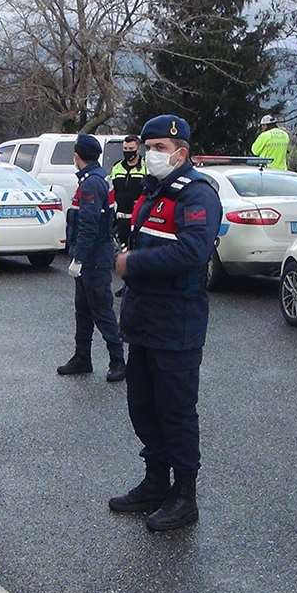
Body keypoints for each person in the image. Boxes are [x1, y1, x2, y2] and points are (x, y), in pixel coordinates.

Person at [109, 114, 222, 532]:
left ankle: (184, 495)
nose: (151, 153)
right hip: (143, 321)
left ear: (181, 152)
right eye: (148, 145)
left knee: (176, 412)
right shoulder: (153, 192)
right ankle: (155, 481)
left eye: (159, 147)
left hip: (178, 324)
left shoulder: (197, 195)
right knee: (143, 407)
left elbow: (193, 252)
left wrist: (131, 262)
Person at [57, 133, 125, 382]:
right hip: (93, 256)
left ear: (77, 156)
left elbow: (89, 225)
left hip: (93, 258)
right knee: (83, 311)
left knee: (101, 310)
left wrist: (80, 259)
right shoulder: (96, 178)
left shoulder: (91, 183)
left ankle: (118, 361)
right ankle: (82, 357)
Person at [111, 134, 145, 248]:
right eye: (125, 149)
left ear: (138, 149)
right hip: (120, 217)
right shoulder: (116, 167)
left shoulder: (146, 167)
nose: (128, 152)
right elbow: (111, 190)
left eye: (131, 149)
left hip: (138, 218)